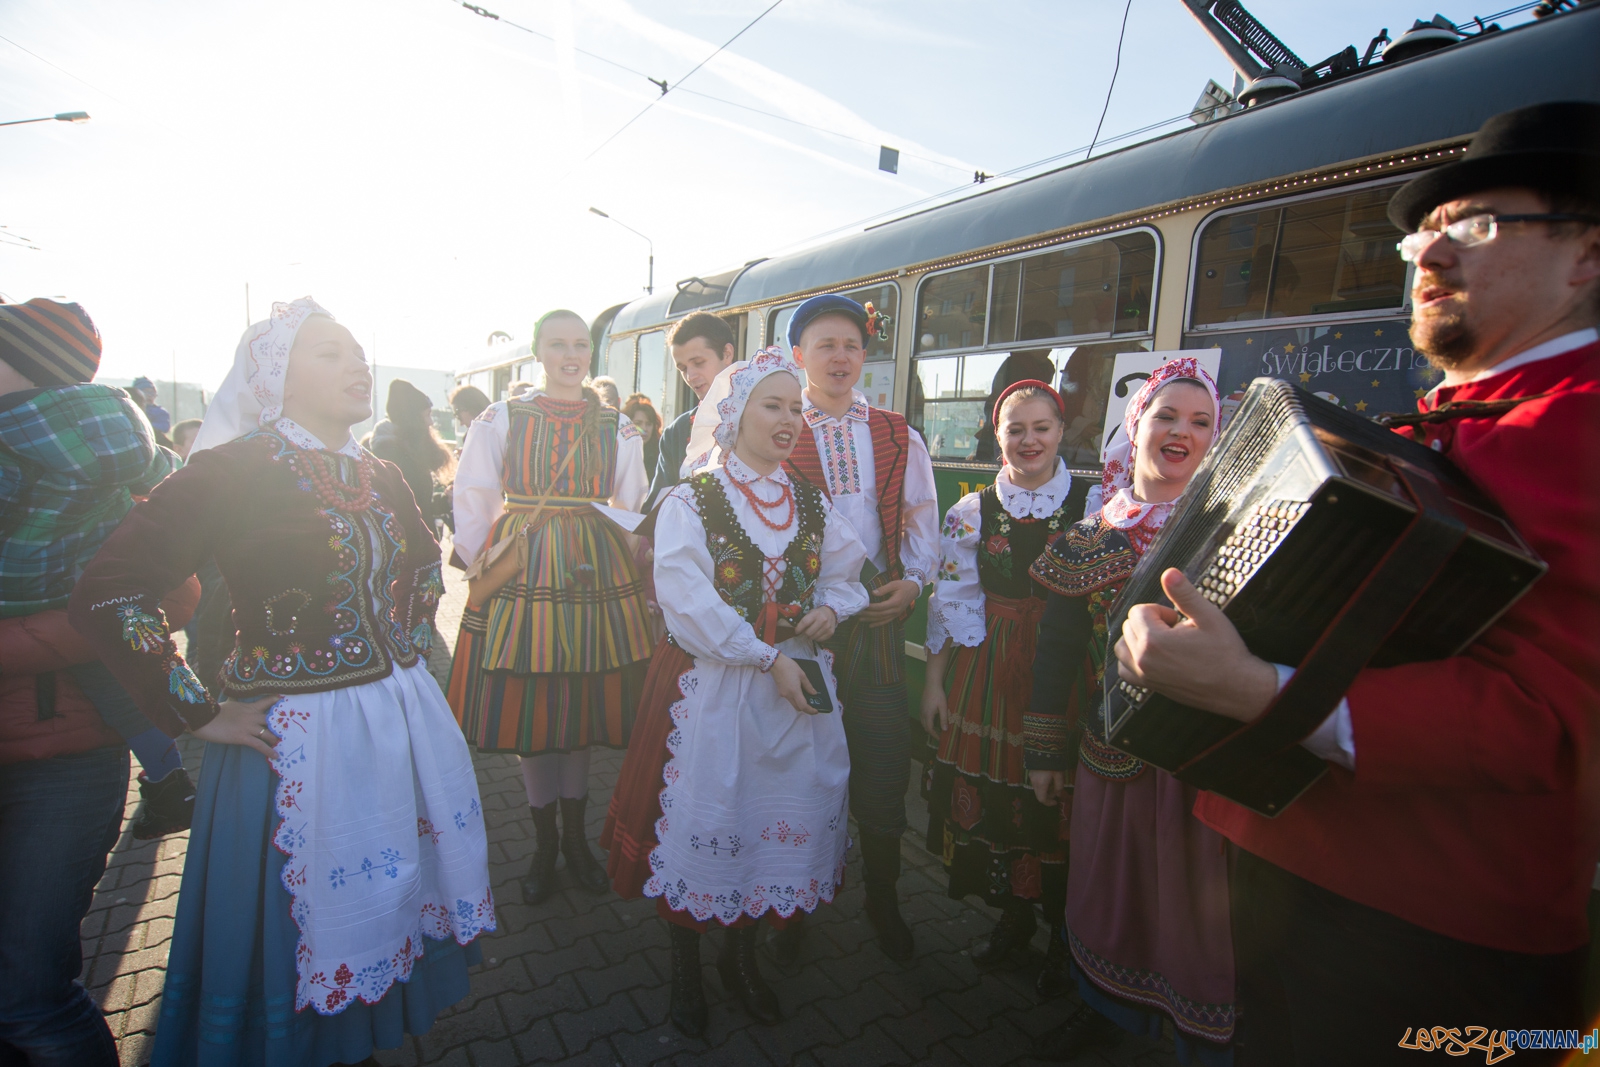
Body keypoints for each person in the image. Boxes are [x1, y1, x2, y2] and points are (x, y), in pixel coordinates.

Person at [1113, 101, 1600, 1064]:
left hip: (1433, 932)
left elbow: (1554, 716)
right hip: (1297, 878)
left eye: (1478, 225)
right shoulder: (1458, 415)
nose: (1429, 254)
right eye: (1424, 235)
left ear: (1587, 254)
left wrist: (1260, 690)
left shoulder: (1577, 420)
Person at [69, 297, 494, 1066]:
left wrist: (402, 661)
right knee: (296, 927)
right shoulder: (234, 469)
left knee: (388, 897)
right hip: (291, 745)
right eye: (330, 352)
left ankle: (362, 1039)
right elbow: (109, 589)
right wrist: (195, 710)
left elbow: (421, 566)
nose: (356, 363)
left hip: (393, 728)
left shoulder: (380, 471)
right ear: (277, 378)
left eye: (358, 350)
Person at [602, 349, 869, 1035]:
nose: (788, 419)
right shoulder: (691, 498)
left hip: (791, 690)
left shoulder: (811, 501)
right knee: (707, 822)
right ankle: (686, 968)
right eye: (771, 405)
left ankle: (740, 958)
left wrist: (831, 609)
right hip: (711, 685)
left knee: (756, 827)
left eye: (794, 408)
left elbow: (845, 575)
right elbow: (686, 601)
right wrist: (763, 654)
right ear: (734, 414)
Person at [1025, 359, 1233, 1064]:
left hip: (1201, 769)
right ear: (1136, 425)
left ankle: (1202, 1040)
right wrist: (1044, 753)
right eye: (1166, 415)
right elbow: (1055, 657)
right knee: (1108, 897)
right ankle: (1104, 1012)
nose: (1182, 431)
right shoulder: (1089, 535)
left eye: (1201, 421)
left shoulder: (1232, 528)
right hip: (1111, 757)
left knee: (1200, 915)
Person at [448, 309, 652, 905]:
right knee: (534, 707)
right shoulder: (502, 416)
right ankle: (545, 845)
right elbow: (474, 493)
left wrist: (628, 566)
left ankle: (577, 842)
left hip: (592, 564)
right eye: (558, 344)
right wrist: (483, 562)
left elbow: (631, 503)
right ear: (538, 352)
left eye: (580, 345)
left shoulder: (618, 425)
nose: (571, 355)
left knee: (578, 704)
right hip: (526, 561)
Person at [778, 293, 939, 962]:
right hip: (802, 629)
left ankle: (883, 898)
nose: (840, 357)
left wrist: (913, 583)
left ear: (864, 355)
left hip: (874, 623)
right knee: (797, 767)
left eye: (851, 345)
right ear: (799, 356)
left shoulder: (898, 433)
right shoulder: (777, 426)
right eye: (826, 345)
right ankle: (790, 905)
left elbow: (923, 521)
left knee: (881, 762)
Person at [0, 298, 198, 840]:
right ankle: (172, 777)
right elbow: (169, 475)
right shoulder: (118, 429)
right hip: (77, 598)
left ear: (28, 372)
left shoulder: (9, 434)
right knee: (113, 683)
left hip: (11, 597)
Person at [921, 380, 1083, 993]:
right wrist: (934, 685)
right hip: (989, 664)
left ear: (1061, 432)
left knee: (1060, 801)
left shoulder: (1096, 503)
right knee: (1002, 796)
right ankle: (1015, 920)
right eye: (1016, 429)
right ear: (998, 436)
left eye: (1041, 427)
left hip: (1066, 670)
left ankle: (1065, 940)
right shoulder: (972, 510)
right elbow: (950, 600)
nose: (1029, 440)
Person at [1, 581, 198, 1067]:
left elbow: (166, 593)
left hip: (61, 762)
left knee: (29, 995)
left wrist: (202, 713)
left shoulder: (65, 534)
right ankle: (169, 778)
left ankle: (170, 778)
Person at [643, 312, 737, 512]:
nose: (691, 376)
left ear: (727, 354)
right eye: (683, 368)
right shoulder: (677, 431)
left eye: (698, 362)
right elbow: (656, 508)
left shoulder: (761, 415)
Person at [368, 378, 455, 526]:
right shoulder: (394, 456)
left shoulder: (402, 451)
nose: (431, 422)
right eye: (427, 415)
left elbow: (418, 505)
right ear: (413, 419)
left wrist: (444, 501)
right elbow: (412, 511)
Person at [621, 392, 662, 478]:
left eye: (649, 424)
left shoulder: (660, 455)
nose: (644, 429)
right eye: (638, 423)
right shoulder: (618, 451)